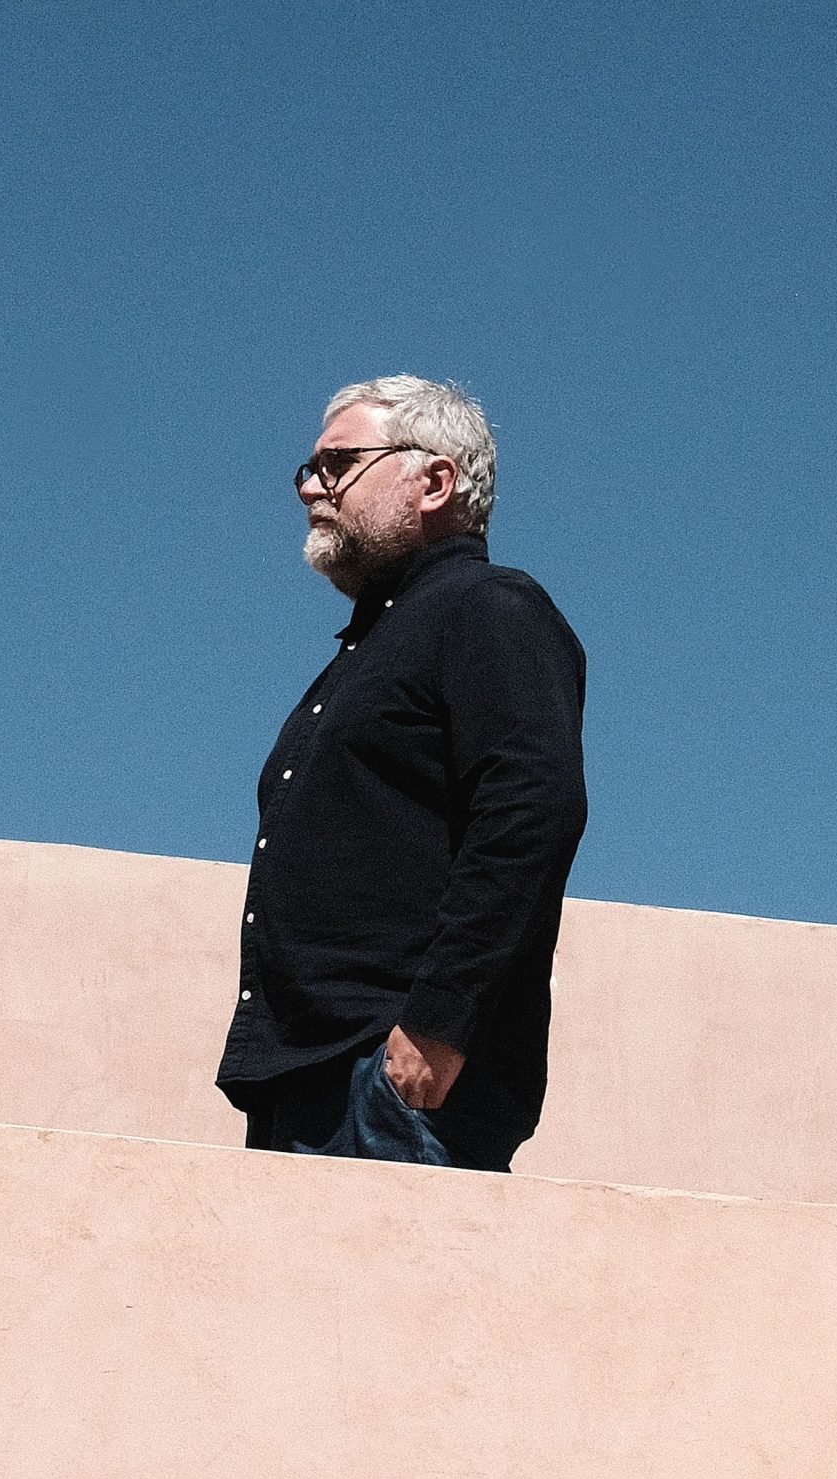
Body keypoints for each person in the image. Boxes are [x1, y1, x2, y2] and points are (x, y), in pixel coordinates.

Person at [215, 376, 587, 1173]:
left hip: (398, 1084)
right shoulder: (360, 655)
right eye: (308, 469)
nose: (313, 485)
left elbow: (532, 808)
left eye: (338, 462)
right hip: (304, 1081)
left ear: (434, 481)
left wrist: (439, 1026)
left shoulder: (490, 608)